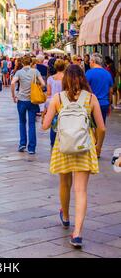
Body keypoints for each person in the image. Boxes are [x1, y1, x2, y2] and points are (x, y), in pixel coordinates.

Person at [42, 64, 105, 249]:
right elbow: (101, 127)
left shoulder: (58, 98)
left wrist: (46, 116)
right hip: (84, 147)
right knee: (81, 190)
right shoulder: (91, 98)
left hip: (63, 147)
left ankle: (66, 216)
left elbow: (45, 126)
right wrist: (98, 146)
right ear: (82, 79)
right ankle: (77, 234)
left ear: (66, 80)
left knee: (64, 184)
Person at [11, 55, 45, 154]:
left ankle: (22, 143)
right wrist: (37, 85)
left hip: (21, 99)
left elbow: (13, 83)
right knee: (31, 124)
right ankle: (31, 148)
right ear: (30, 62)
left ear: (22, 63)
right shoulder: (35, 71)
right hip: (32, 100)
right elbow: (43, 84)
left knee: (22, 122)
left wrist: (14, 95)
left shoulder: (19, 72)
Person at [86, 53, 114, 128]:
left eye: (90, 61)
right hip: (104, 103)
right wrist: (109, 104)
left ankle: (94, 139)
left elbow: (85, 89)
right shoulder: (107, 73)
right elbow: (110, 91)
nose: (89, 63)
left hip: (91, 104)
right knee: (101, 126)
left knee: (91, 127)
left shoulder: (89, 73)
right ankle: (99, 139)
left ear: (93, 61)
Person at [44, 59, 65, 148]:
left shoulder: (50, 79)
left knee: (53, 123)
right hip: (64, 102)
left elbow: (48, 94)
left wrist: (46, 107)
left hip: (53, 103)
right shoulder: (66, 77)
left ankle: (53, 143)